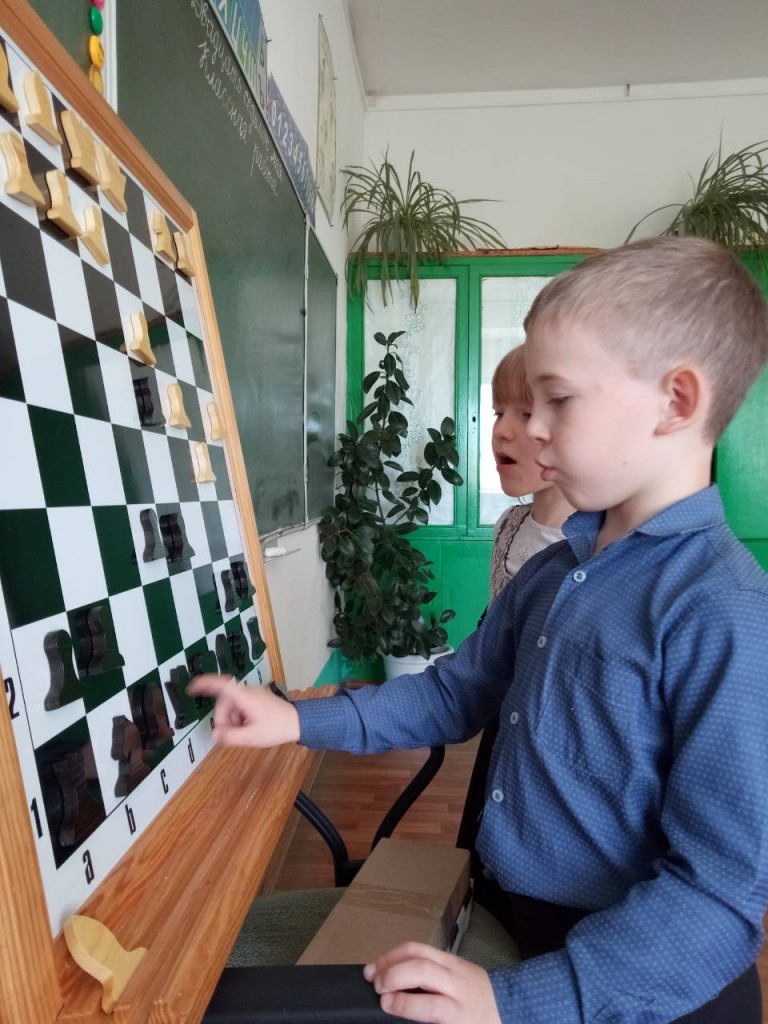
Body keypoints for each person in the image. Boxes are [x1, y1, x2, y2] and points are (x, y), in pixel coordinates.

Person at [190, 237, 768, 1024]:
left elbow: (717, 895)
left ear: (676, 401)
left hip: (624, 982)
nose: (534, 429)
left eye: (557, 400)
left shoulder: (724, 609)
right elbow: (452, 696)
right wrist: (295, 718)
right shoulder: (552, 571)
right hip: (505, 913)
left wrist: (513, 1000)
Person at [488, 344, 574, 600]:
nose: (501, 430)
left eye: (528, 414)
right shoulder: (507, 524)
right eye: (498, 413)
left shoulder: (604, 545)